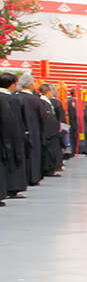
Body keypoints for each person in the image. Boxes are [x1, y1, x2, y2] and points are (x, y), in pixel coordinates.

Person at [0, 72, 28, 202]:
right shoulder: (13, 100)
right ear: (12, 85)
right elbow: (13, 122)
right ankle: (12, 187)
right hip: (10, 137)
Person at [16, 74, 43, 187]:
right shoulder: (35, 100)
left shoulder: (15, 97)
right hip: (34, 129)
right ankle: (33, 177)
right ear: (31, 85)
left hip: (18, 129)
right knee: (33, 153)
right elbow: (42, 116)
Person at [35, 83, 63, 177]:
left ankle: (51, 168)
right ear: (47, 91)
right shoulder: (42, 102)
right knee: (48, 151)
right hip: (48, 132)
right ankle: (48, 169)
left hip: (52, 131)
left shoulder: (48, 102)